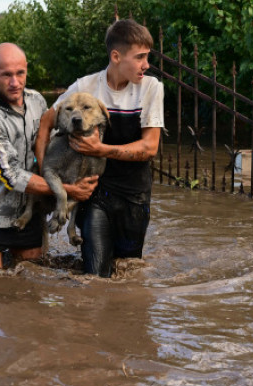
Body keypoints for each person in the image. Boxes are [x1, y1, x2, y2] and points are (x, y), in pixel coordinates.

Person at [36, 19, 164, 277]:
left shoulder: (151, 87)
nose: (146, 65)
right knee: (95, 275)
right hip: (96, 194)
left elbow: (149, 148)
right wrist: (47, 178)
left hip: (135, 196)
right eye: (139, 57)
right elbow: (45, 124)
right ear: (116, 56)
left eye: (147, 57)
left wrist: (100, 149)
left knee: (128, 273)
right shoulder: (85, 87)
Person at [0, 42, 98, 268]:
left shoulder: (36, 100)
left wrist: (93, 143)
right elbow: (12, 176)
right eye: (6, 75)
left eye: (20, 73)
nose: (15, 82)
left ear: (27, 69)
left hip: (29, 210)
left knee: (32, 282)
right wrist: (69, 190)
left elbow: (54, 140)